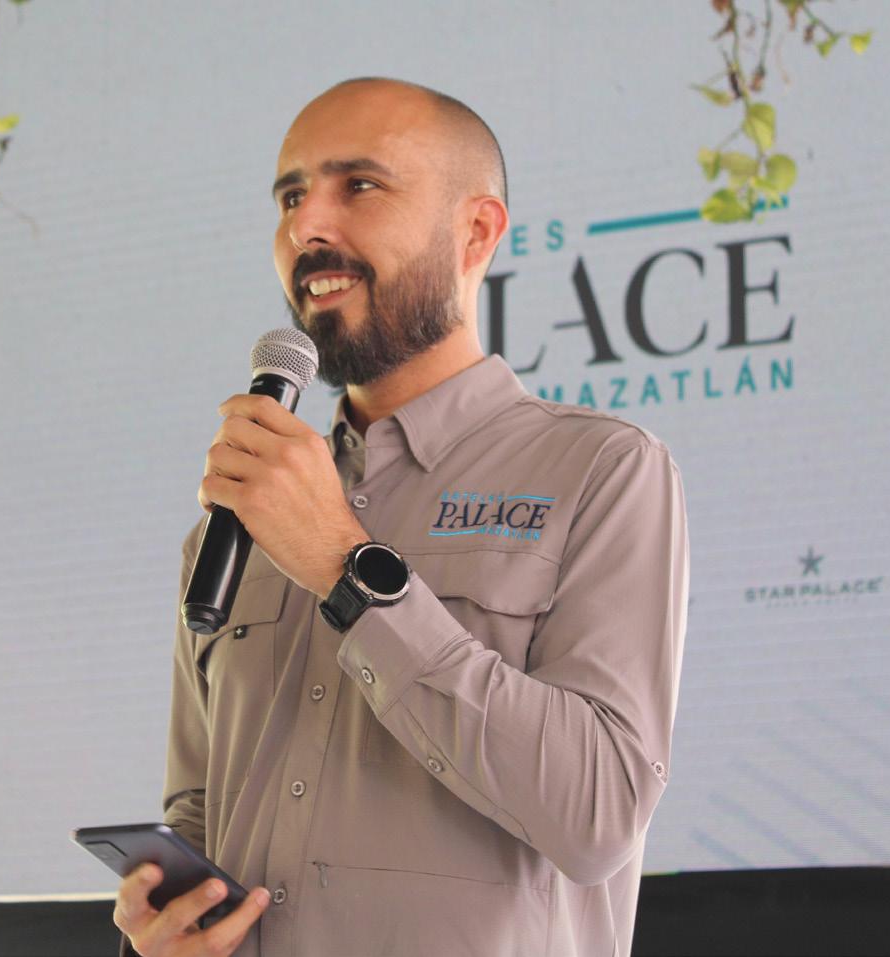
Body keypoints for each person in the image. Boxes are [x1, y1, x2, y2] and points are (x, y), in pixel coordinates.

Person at [114, 76, 688, 957]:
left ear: (476, 231)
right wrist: (162, 926)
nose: (308, 225)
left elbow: (597, 813)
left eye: (359, 186)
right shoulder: (238, 517)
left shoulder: (603, 471)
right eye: (291, 197)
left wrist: (346, 570)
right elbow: (198, 809)